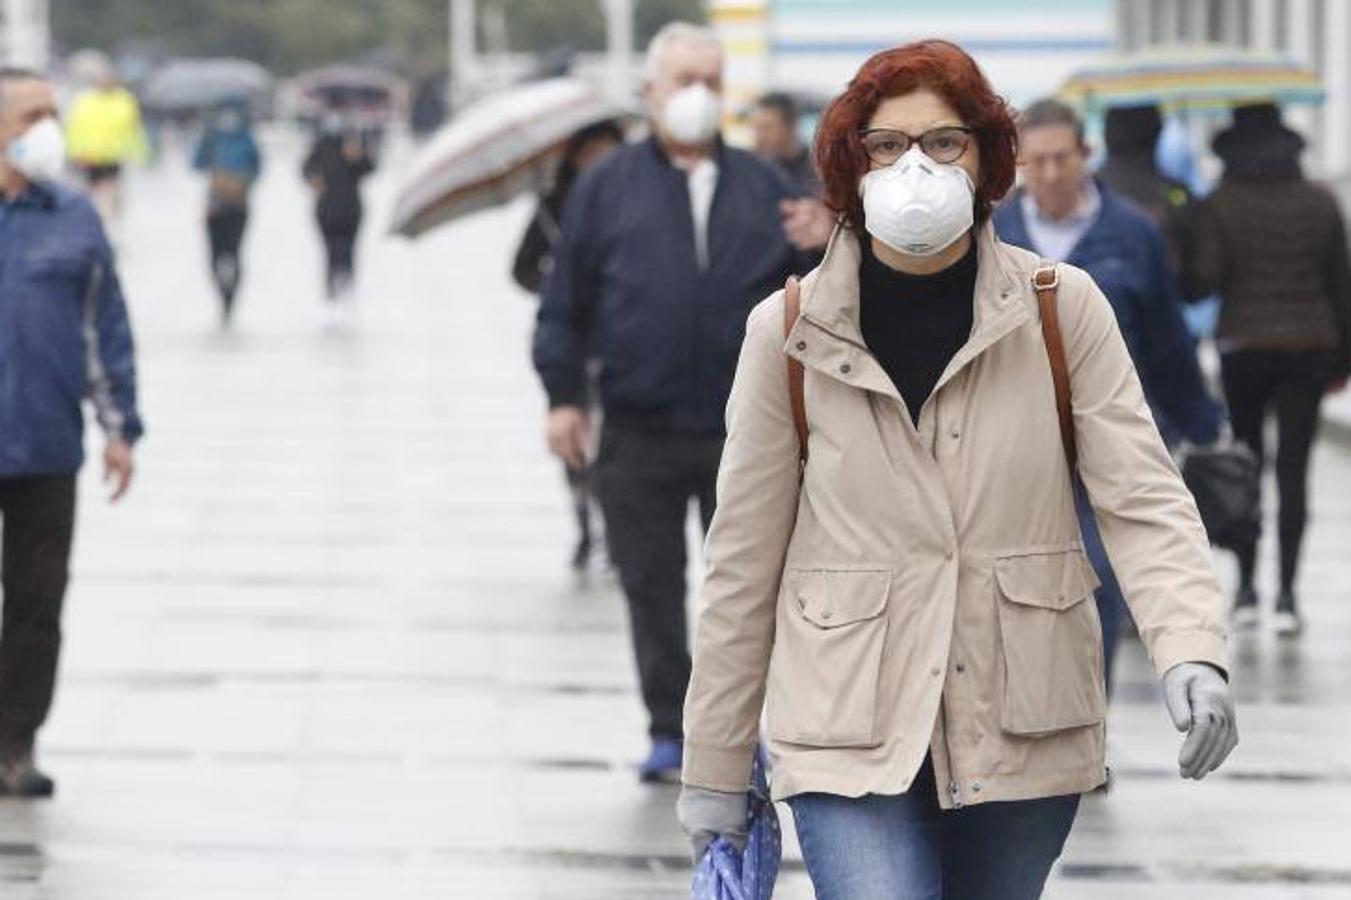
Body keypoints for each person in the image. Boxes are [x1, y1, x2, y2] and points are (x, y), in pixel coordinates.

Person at [676, 41, 1236, 898]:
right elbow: (741, 559)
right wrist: (712, 762)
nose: (914, 166)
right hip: (845, 724)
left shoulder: (1061, 308)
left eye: (942, 143)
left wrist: (1191, 650)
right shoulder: (784, 332)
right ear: (849, 164)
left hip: (1023, 716)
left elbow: (1144, 500)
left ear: (984, 158)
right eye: (886, 145)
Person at [532, 22, 813, 783]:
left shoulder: (767, 186)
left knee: (747, 589)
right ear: (651, 90)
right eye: (682, 80)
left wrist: (823, 240)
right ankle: (671, 728)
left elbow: (822, 299)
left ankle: (739, 730)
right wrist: (563, 397)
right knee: (650, 582)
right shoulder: (606, 185)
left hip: (744, 431)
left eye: (710, 82)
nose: (696, 96)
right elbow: (565, 301)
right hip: (637, 424)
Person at [993, 98, 1224, 690]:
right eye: (1036, 162)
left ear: (1085, 155)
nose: (1048, 174)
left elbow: (1167, 336)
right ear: (1019, 163)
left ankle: (1091, 719)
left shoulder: (1130, 232)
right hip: (1012, 441)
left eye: (1060, 159)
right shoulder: (995, 236)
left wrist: (1199, 420)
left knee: (1098, 573)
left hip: (1102, 432)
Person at [0, 68, 144, 796]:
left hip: (46, 445)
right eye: (32, 114)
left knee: (36, 604)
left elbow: (104, 329)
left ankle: (14, 744)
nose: (49, 127)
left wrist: (120, 428)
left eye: (53, 112)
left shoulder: (77, 218)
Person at [1192, 103, 1351, 635]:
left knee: (1247, 465)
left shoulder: (1220, 203)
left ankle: (1246, 589)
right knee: (1294, 469)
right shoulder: (1321, 202)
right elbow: (1342, 286)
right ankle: (1287, 595)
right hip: (1310, 343)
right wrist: (1343, 359)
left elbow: (1205, 280)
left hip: (1243, 345)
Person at [514, 121, 625, 572]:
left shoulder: (637, 200)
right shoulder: (553, 208)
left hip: (624, 340)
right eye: (593, 152)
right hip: (573, 342)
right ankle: (585, 525)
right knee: (575, 436)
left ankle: (616, 531)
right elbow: (521, 269)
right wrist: (562, 285)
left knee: (618, 442)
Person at [1097, 103, 1204, 301]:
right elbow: (1198, 269)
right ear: (1156, 131)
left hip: (1095, 312)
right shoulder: (1176, 193)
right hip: (1162, 307)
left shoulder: (1089, 192)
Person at [193, 98, 261, 327]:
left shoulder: (247, 138)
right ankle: (221, 295)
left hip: (239, 204)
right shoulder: (211, 138)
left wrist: (242, 180)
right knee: (214, 254)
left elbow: (257, 168)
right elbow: (195, 164)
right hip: (214, 204)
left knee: (233, 252)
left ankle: (231, 299)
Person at [302, 109, 375, 312]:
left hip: (351, 208)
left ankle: (348, 287)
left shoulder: (352, 144)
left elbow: (370, 168)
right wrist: (313, 179)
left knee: (349, 250)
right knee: (331, 251)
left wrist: (357, 157)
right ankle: (331, 291)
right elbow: (306, 170)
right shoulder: (320, 146)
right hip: (326, 209)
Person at [63, 65, 146, 227]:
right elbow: (75, 128)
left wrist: (139, 152)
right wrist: (75, 152)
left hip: (114, 154)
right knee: (94, 191)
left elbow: (133, 127)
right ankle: (95, 219)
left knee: (111, 190)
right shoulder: (85, 101)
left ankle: (109, 222)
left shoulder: (125, 100)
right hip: (90, 155)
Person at [750, 91, 820, 196]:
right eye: (757, 128)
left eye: (767, 128)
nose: (760, 137)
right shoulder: (751, 168)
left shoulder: (816, 173)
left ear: (791, 127)